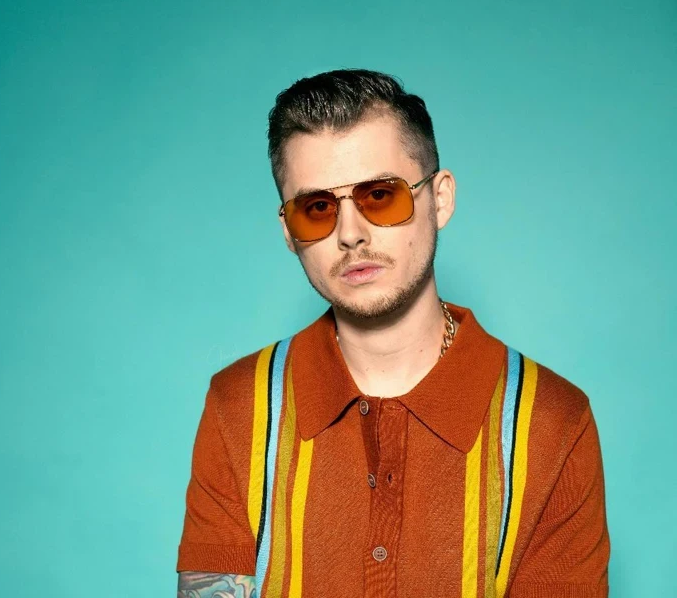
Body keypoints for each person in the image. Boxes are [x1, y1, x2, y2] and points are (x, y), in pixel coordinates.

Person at [175, 69, 609, 598]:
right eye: (317, 209)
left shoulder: (554, 421)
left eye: (381, 195)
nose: (351, 234)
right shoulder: (239, 404)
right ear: (288, 232)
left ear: (440, 199)